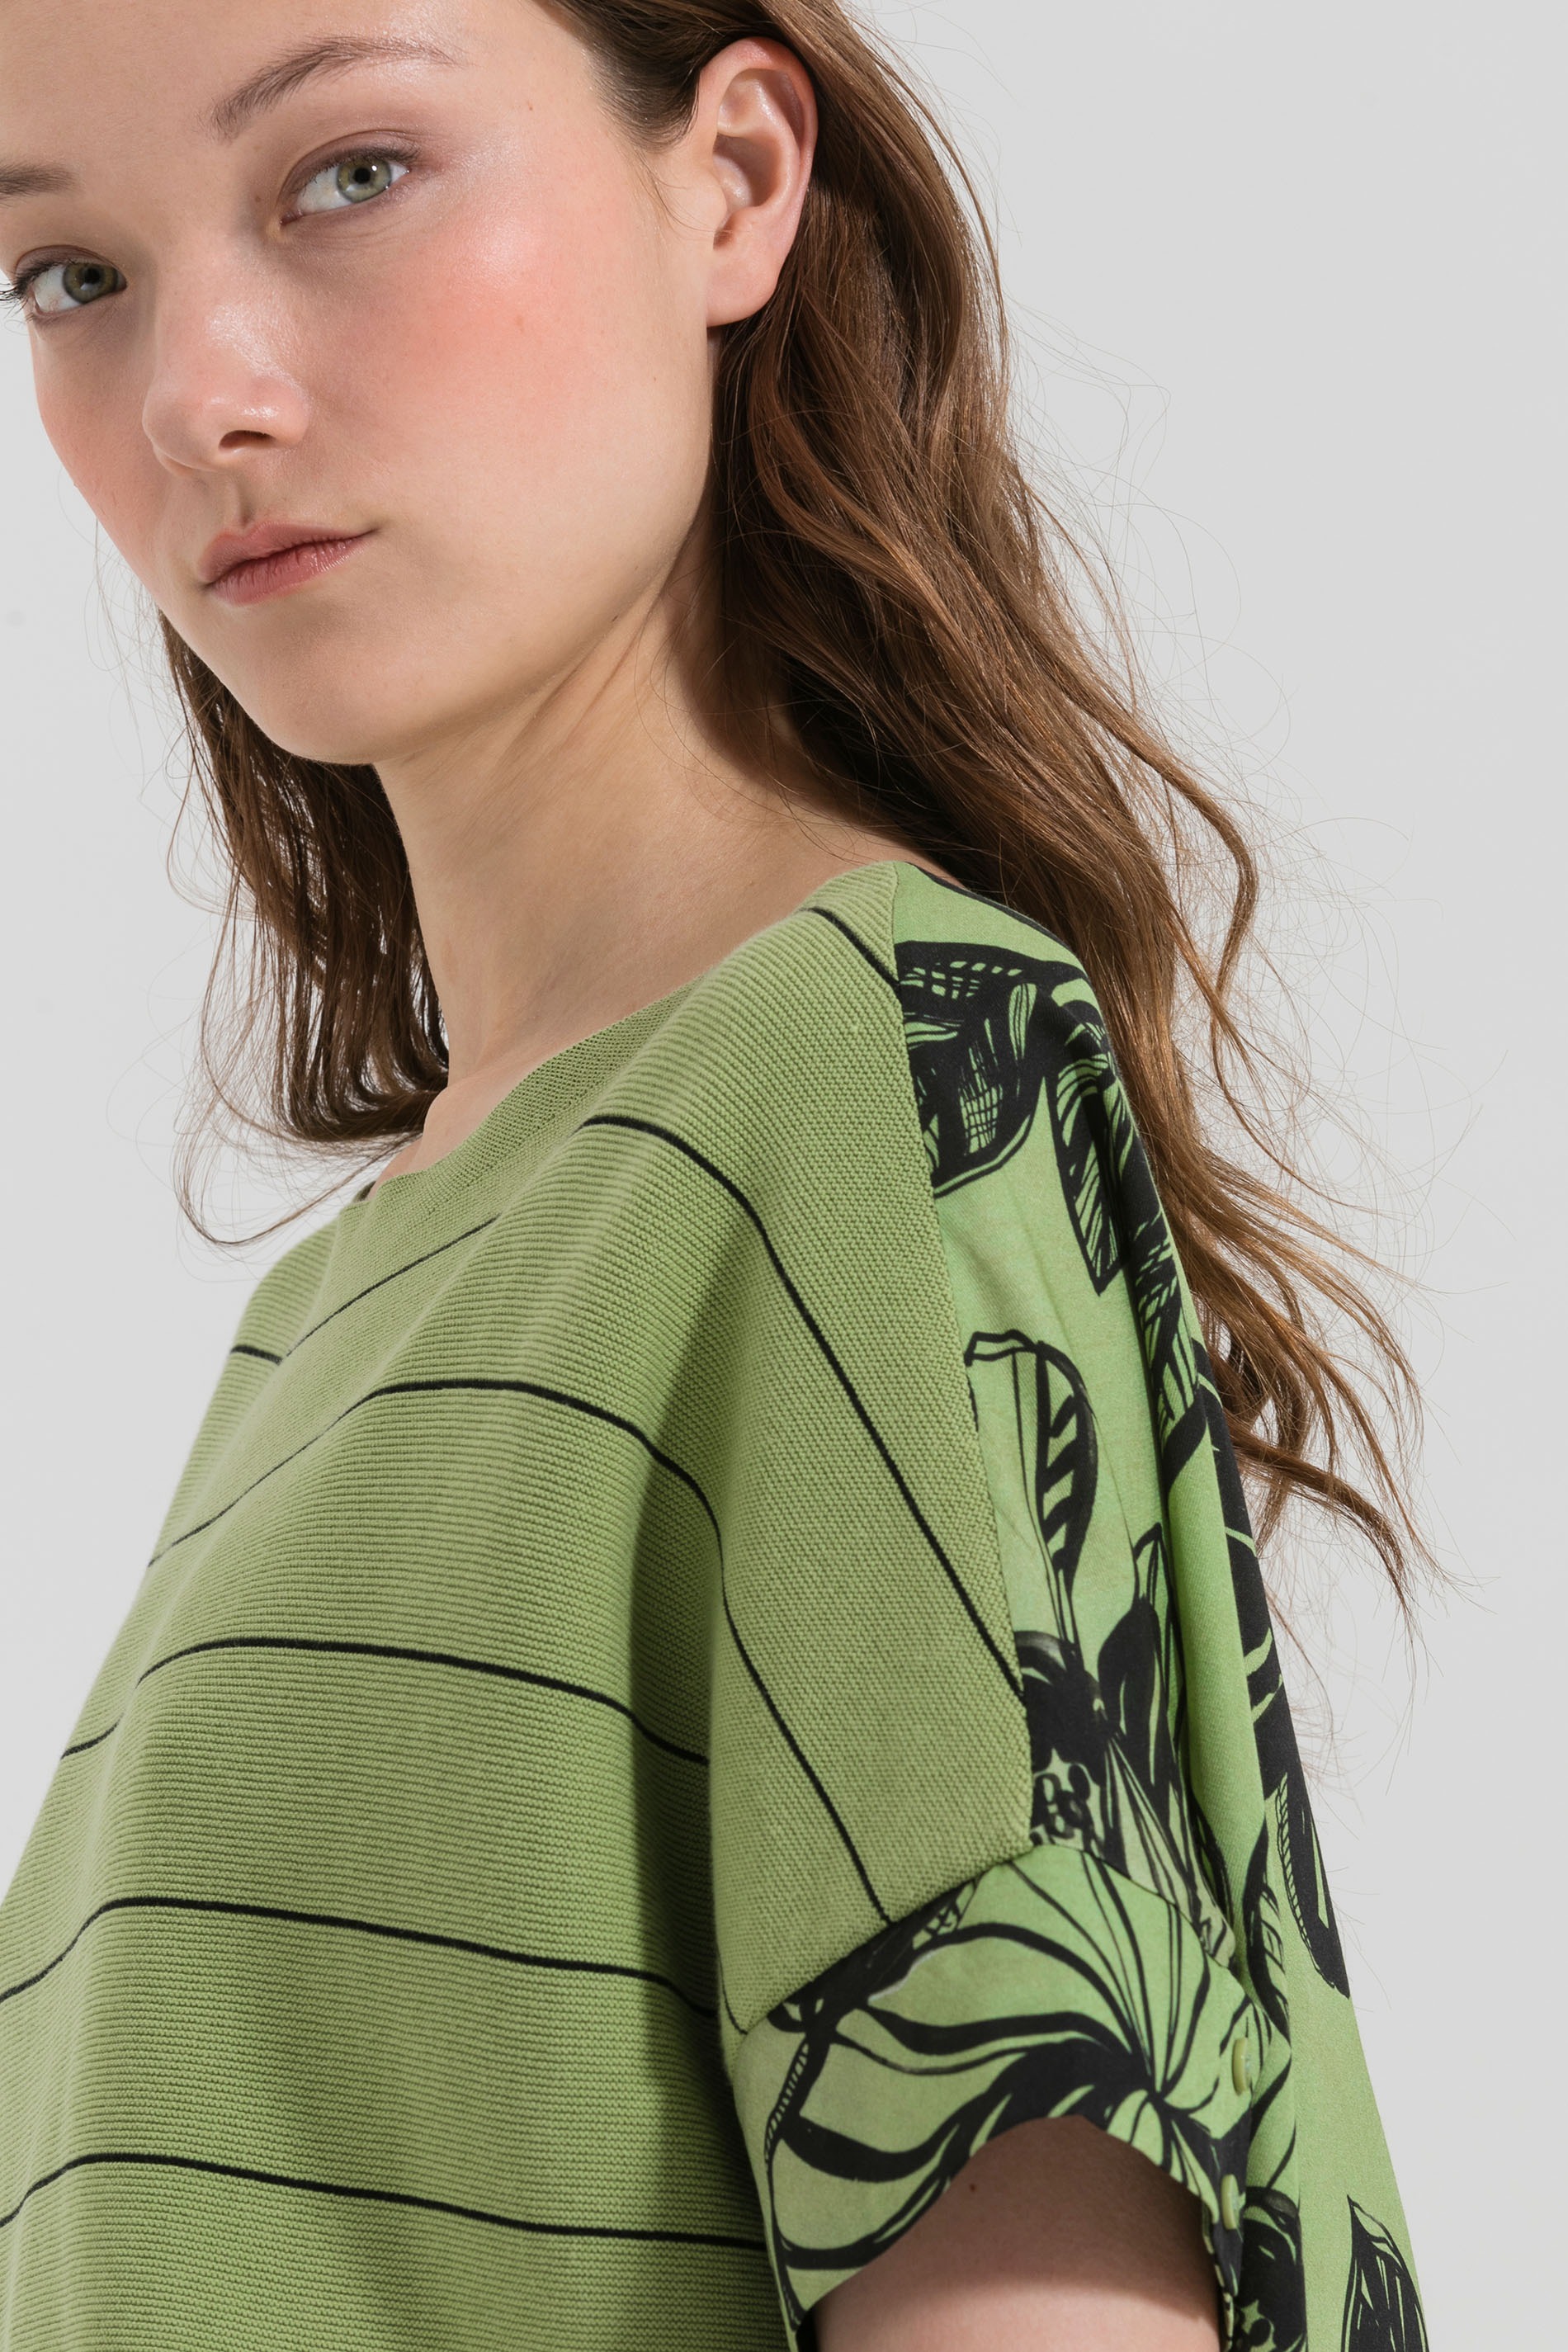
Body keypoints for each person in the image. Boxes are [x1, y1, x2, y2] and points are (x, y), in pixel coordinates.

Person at [0, 2, 1431, 2346]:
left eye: (350, 174)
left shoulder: (863, 1068)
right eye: (72, 277)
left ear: (736, 179)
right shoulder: (362, 1294)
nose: (195, 397)